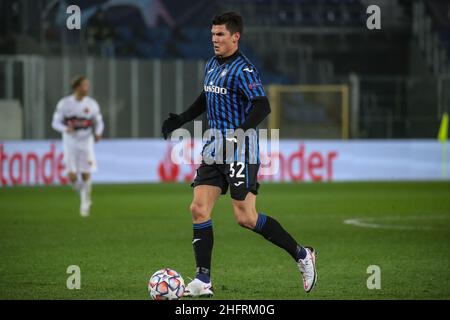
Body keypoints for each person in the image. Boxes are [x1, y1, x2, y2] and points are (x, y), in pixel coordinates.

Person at [161, 12, 317, 297]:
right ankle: (203, 279)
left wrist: (238, 132)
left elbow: (262, 106)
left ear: (236, 37)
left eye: (220, 35)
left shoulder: (244, 70)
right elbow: (207, 97)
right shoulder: (211, 63)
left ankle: (302, 255)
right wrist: (181, 118)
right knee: (198, 209)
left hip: (241, 149)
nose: (214, 40)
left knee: (246, 217)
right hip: (214, 147)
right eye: (212, 35)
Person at [52, 75, 104, 217]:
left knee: (86, 173)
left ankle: (85, 203)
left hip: (86, 141)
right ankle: (82, 192)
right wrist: (65, 129)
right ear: (76, 87)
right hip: (70, 141)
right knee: (72, 175)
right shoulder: (65, 104)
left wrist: (98, 133)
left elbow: (99, 122)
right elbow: (55, 123)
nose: (87, 88)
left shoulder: (92, 104)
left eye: (87, 85)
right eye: (84, 85)